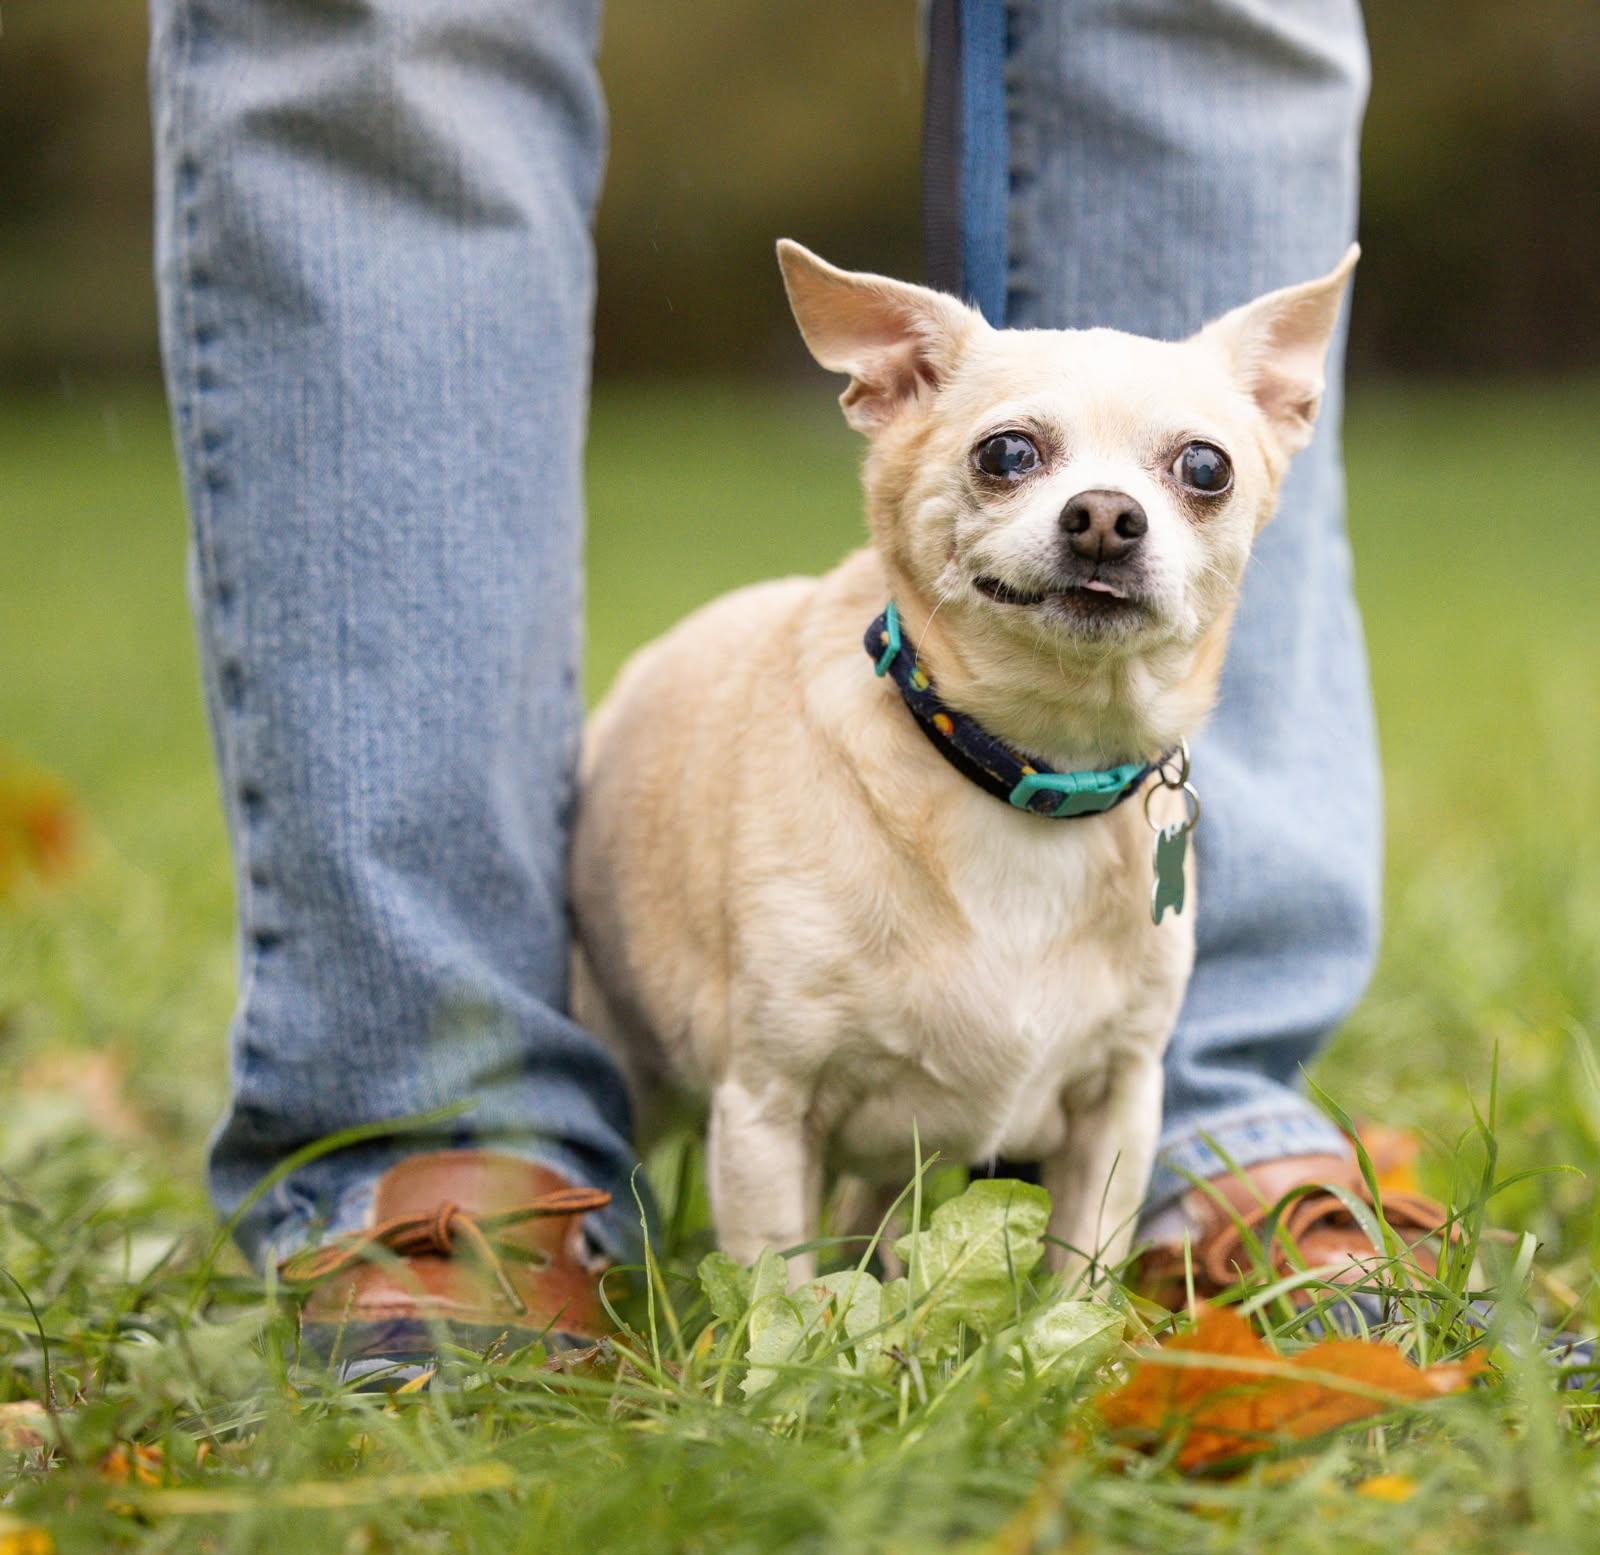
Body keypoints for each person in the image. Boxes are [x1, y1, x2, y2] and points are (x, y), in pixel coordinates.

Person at [149, 0, 1433, 1367]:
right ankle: (443, 1125)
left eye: (1196, 474)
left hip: (1122, 827)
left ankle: (1211, 1123)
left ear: (1281, 428)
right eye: (1012, 460)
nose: (1106, 517)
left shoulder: (1165, 808)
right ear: (890, 388)